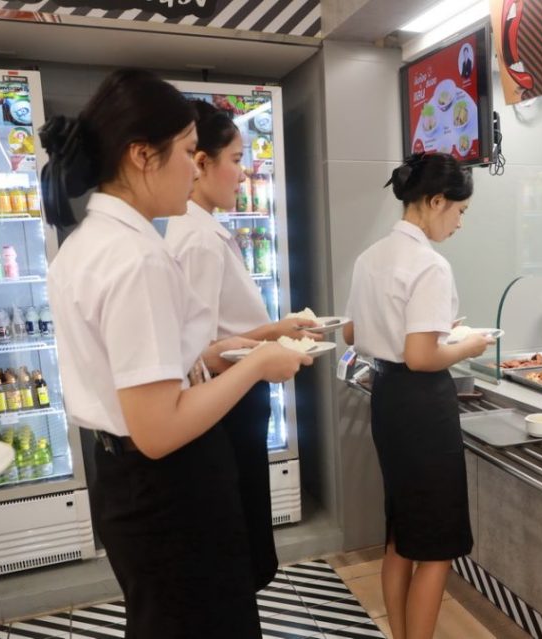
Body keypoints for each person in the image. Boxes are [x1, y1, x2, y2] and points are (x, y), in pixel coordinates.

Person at [39, 69, 312, 638]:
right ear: (142, 155)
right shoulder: (137, 258)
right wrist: (260, 364)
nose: (197, 166)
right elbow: (158, 428)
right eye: (189, 151)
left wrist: (218, 354)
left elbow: (144, 376)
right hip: (168, 485)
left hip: (129, 481)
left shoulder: (91, 242)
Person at [163, 100, 319, 591]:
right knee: (239, 540)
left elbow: (215, 332)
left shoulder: (200, 228)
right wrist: (270, 349)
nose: (243, 171)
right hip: (226, 405)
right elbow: (202, 352)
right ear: (199, 162)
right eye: (235, 158)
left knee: (243, 532)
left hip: (233, 400)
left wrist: (278, 329)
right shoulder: (198, 239)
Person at [343, 153, 492, 639]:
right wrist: (468, 343)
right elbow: (423, 357)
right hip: (423, 406)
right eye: (460, 211)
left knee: (401, 535)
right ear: (434, 201)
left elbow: (351, 332)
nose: (460, 223)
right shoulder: (429, 264)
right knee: (436, 546)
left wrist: (428, 331)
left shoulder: (371, 257)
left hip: (387, 400)